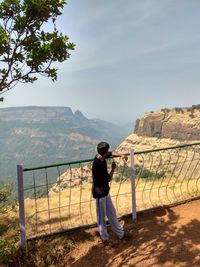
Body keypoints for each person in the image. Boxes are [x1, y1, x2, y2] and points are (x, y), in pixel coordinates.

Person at [92, 141, 128, 244]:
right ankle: (105, 239)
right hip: (100, 194)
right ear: (105, 152)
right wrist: (113, 169)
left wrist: (121, 155)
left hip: (105, 192)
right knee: (101, 217)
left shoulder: (99, 156)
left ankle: (121, 234)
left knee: (112, 213)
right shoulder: (98, 165)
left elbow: (110, 153)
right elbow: (108, 178)